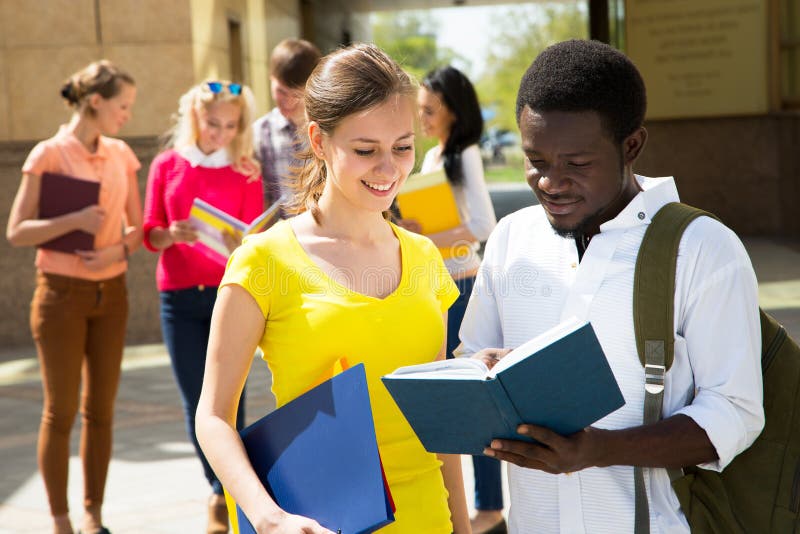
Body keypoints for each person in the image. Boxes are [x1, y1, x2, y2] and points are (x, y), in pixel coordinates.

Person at [458, 39, 764, 533]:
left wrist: (600, 450)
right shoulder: (511, 238)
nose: (550, 182)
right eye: (536, 160)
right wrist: (480, 369)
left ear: (631, 146)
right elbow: (472, 358)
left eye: (577, 164)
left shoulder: (703, 248)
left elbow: (736, 412)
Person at [195, 43, 471, 533]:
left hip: (428, 517)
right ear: (319, 141)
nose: (389, 169)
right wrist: (270, 518)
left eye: (402, 147)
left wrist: (462, 528)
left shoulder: (426, 257)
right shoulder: (263, 260)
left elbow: (439, 421)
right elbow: (214, 417)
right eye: (365, 150)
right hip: (319, 522)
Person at [6, 60, 142, 534]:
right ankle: (60, 521)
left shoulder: (122, 154)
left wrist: (113, 252)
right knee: (60, 412)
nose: (127, 115)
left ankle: (92, 517)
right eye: (122, 106)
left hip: (113, 295)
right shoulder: (48, 154)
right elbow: (17, 231)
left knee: (100, 413)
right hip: (60, 297)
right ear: (96, 102)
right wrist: (73, 222)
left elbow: (137, 228)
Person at [142, 80, 263, 534]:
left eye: (231, 126)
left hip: (228, 296)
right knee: (196, 400)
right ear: (195, 116)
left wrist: (239, 244)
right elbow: (149, 233)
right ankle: (219, 488)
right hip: (177, 297)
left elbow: (253, 239)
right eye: (214, 123)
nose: (221, 133)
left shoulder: (246, 171)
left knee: (231, 399)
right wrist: (170, 234)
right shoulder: (167, 165)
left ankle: (227, 494)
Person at [401, 65, 501, 534]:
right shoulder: (434, 155)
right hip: (437, 284)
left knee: (469, 393)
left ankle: (489, 508)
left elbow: (483, 225)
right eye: (419, 109)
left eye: (429, 110)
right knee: (447, 393)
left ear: (453, 112)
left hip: (461, 284)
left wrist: (428, 236)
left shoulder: (466, 154)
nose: (421, 118)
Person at [252, 38, 321, 216]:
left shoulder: (328, 128)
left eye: (297, 95)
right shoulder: (259, 133)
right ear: (271, 79)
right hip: (280, 229)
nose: (288, 102)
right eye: (281, 92)